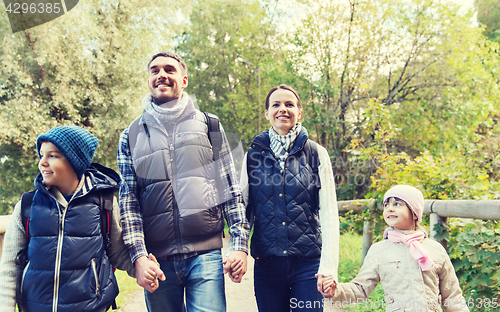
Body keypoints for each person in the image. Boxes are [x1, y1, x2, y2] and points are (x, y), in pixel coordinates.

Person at [117, 51, 250, 312]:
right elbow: (128, 202)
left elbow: (230, 189)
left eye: (169, 69)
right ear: (148, 81)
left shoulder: (210, 126)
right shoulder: (130, 135)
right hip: (158, 260)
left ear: (184, 79)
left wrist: (239, 245)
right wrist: (139, 257)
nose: (161, 75)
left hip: (206, 255)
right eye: (154, 71)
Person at [0, 126, 134, 312]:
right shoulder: (27, 205)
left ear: (74, 161)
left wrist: (143, 268)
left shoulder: (105, 203)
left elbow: (118, 253)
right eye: (42, 155)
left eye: (52, 156)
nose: (42, 163)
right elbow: (9, 267)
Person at [239, 84, 340, 312]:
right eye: (276, 104)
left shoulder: (317, 153)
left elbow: (329, 213)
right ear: (267, 113)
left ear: (299, 112)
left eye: (289, 104)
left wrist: (329, 268)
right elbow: (243, 210)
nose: (282, 109)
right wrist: (238, 250)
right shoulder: (253, 156)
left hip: (309, 266)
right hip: (267, 266)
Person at [320, 185, 469, 312]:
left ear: (414, 211)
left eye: (397, 204)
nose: (390, 209)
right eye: (386, 205)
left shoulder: (435, 249)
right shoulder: (379, 251)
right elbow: (360, 289)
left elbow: (452, 296)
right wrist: (336, 290)